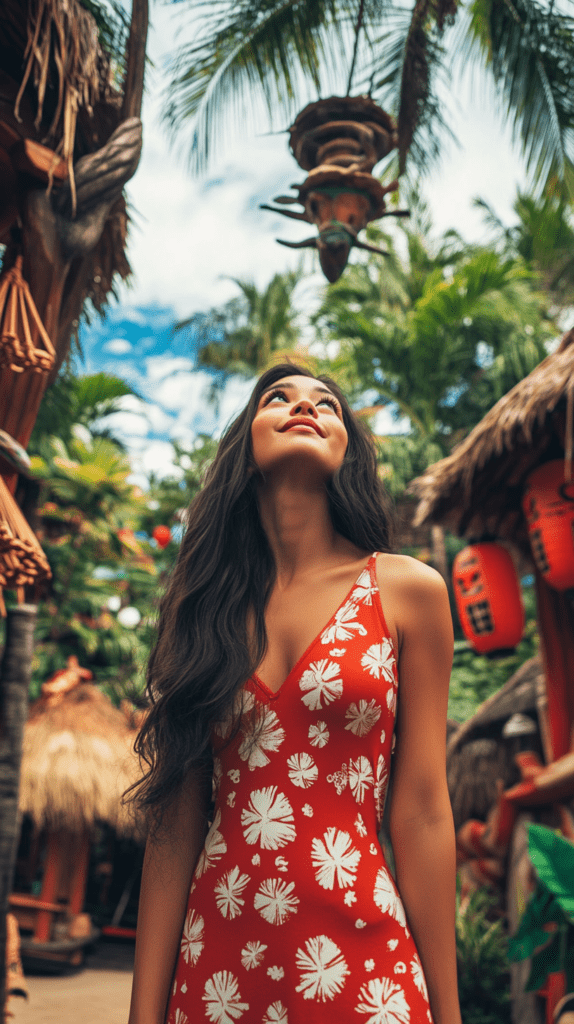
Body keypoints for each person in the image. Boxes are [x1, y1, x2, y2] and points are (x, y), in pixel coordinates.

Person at [127, 362, 461, 1024]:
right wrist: (144, 1016)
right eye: (277, 398)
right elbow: (176, 825)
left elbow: (421, 808)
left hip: (364, 964)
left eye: (326, 404)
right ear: (244, 452)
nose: (303, 406)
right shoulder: (203, 612)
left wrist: (448, 1013)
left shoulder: (407, 591)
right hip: (216, 969)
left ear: (349, 452)